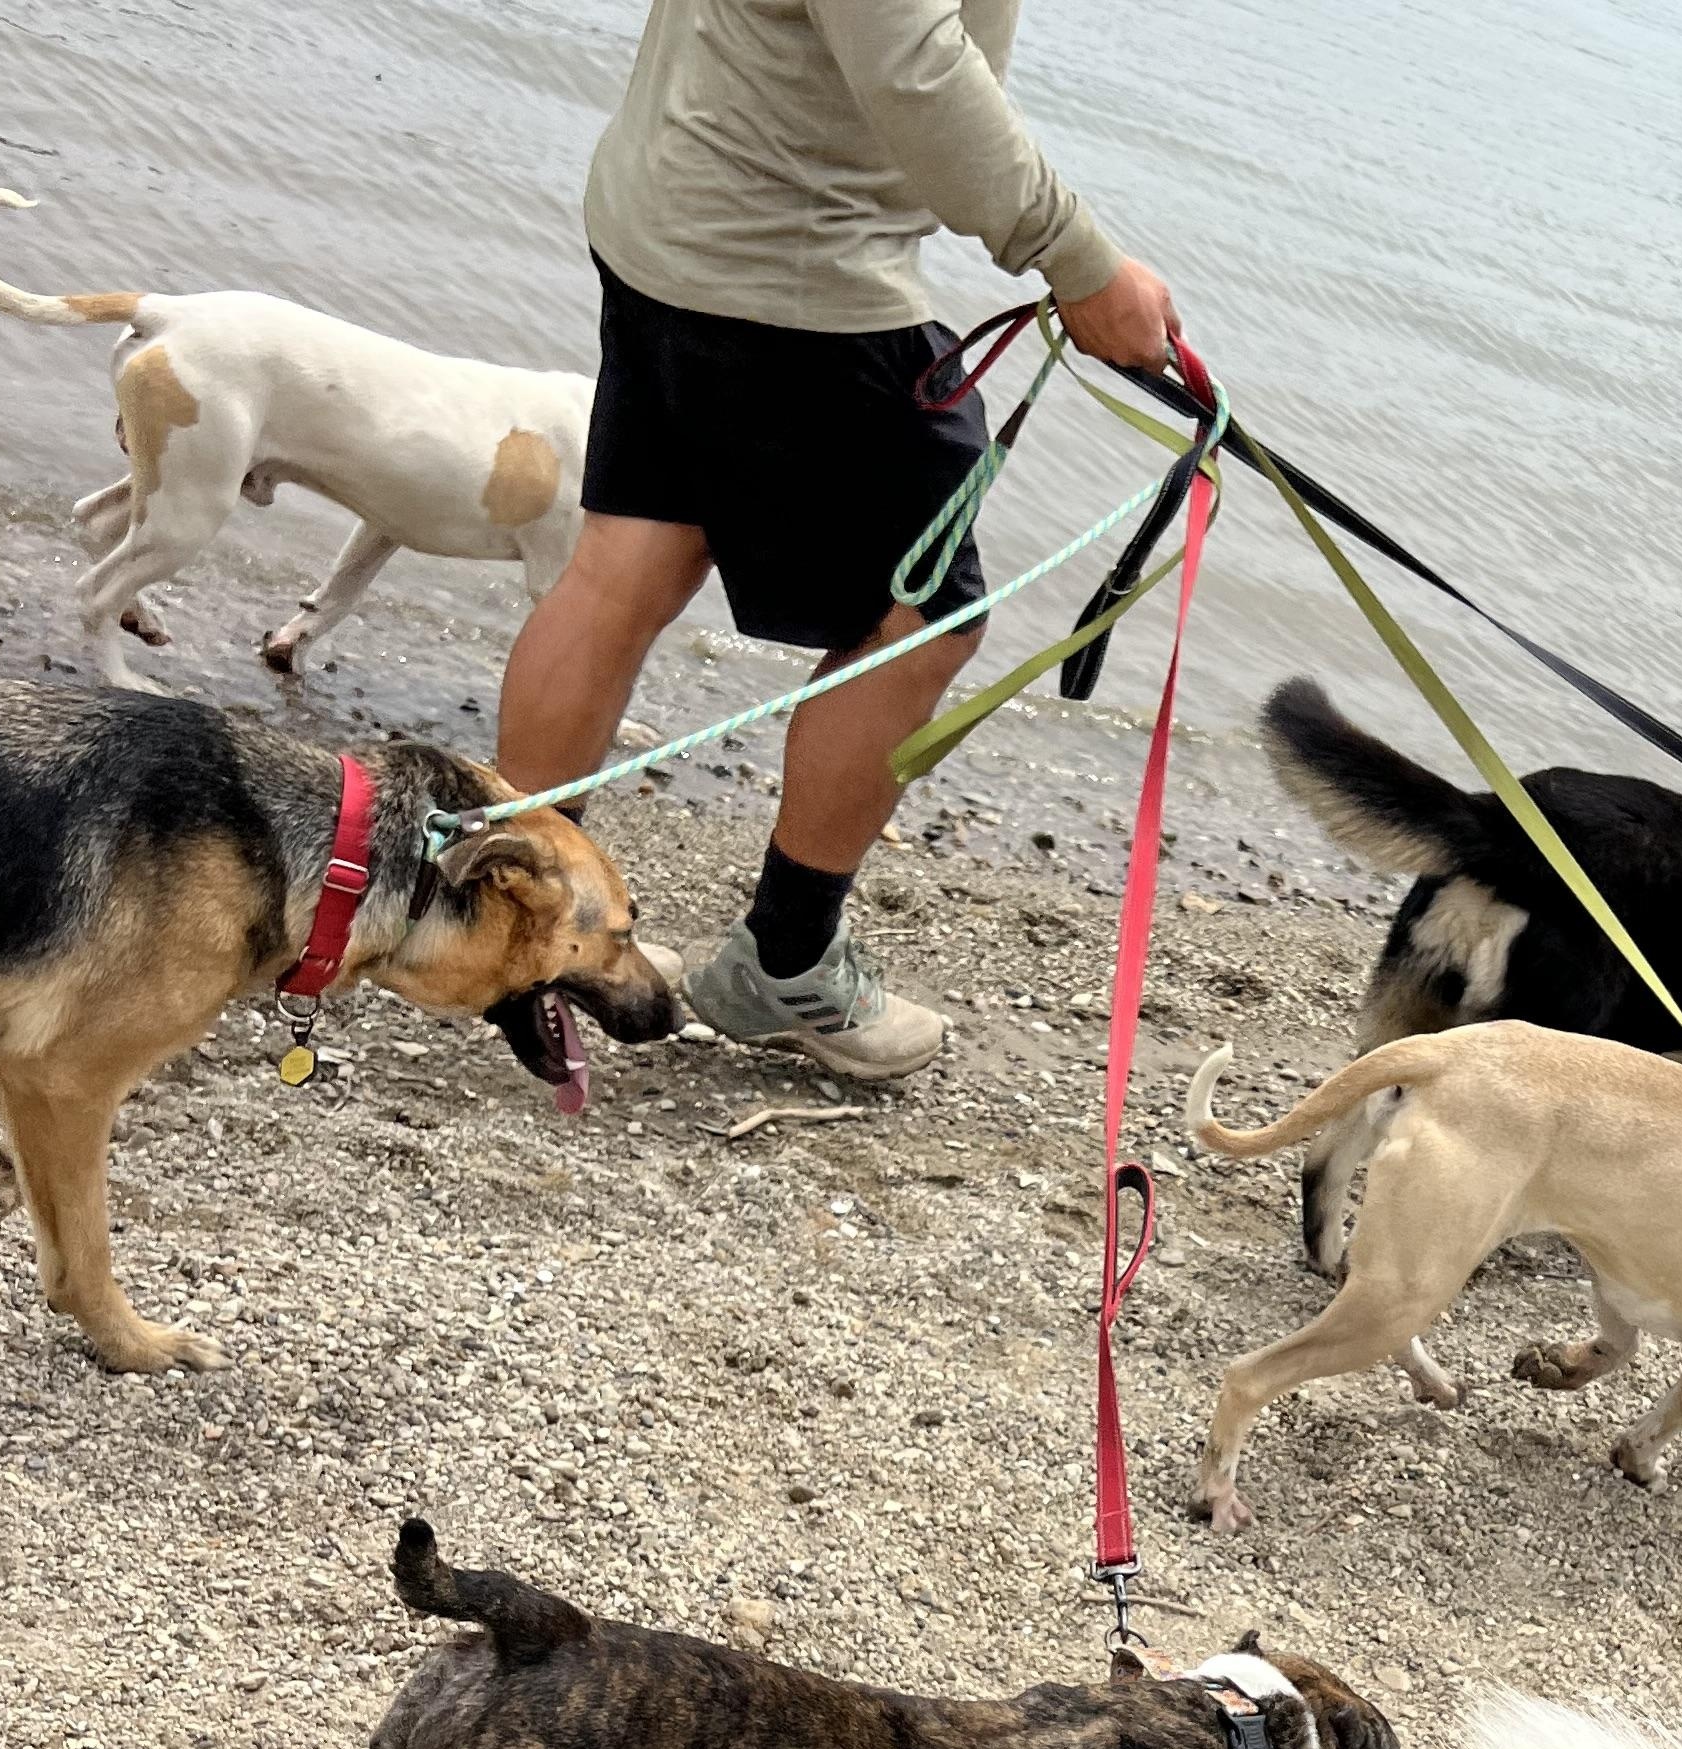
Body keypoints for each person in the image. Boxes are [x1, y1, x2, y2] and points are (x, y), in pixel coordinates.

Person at [499, 0, 1179, 1082]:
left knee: (633, 560)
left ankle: (491, 908)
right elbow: (911, 60)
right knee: (925, 617)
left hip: (672, 215)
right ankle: (787, 956)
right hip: (785, 275)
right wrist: (1078, 260)